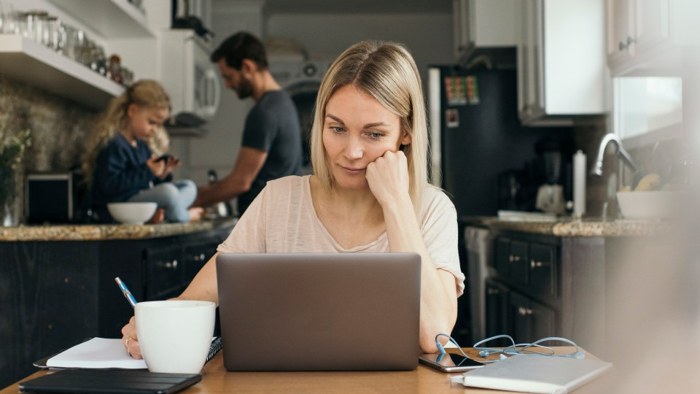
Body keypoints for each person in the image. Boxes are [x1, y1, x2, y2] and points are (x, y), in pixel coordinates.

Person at [122, 40, 465, 356]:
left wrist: (396, 204)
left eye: (374, 134)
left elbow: (433, 335)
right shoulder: (279, 200)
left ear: (405, 132)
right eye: (337, 129)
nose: (352, 152)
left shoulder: (433, 210)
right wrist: (150, 326)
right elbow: (196, 298)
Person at [192, 31, 303, 215]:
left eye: (228, 77)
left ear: (247, 67)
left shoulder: (264, 112)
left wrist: (194, 199)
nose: (227, 85)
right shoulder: (284, 102)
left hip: (266, 223)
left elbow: (240, 182)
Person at [83, 80, 203, 223]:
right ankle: (183, 216)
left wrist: (161, 175)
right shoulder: (115, 145)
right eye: (151, 122)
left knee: (189, 186)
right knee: (168, 193)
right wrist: (148, 171)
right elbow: (109, 186)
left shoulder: (142, 146)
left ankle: (168, 213)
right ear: (132, 110)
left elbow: (147, 183)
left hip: (139, 201)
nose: (155, 129)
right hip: (120, 204)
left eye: (158, 125)